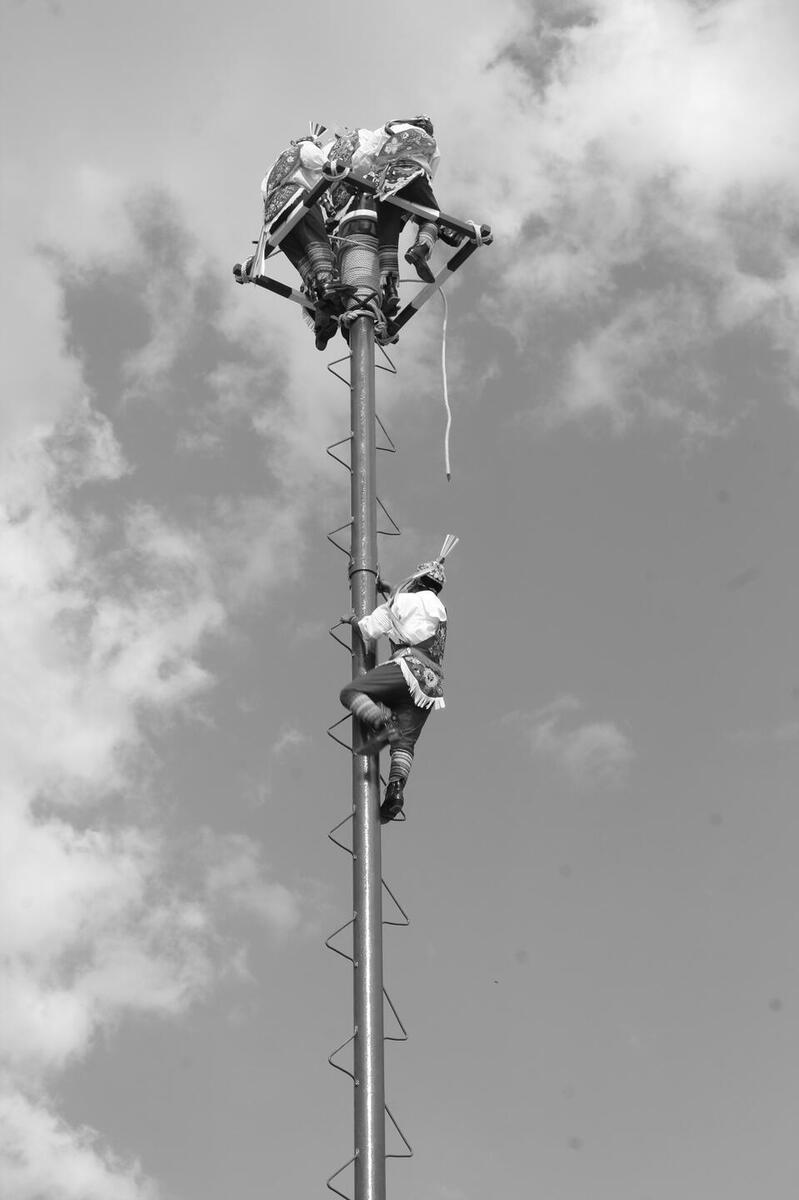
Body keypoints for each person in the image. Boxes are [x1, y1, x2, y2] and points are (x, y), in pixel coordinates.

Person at [339, 536, 457, 823]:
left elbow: (370, 629)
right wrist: (388, 591)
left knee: (351, 693)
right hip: (430, 686)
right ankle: (395, 791)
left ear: (417, 580)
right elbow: (409, 614)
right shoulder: (440, 610)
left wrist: (353, 620)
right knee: (404, 745)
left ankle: (382, 722)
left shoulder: (403, 600)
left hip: (407, 670)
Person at [327, 117, 443, 315]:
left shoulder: (387, 128)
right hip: (414, 176)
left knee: (387, 239)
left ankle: (389, 288)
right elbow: (431, 172)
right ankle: (421, 249)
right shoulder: (432, 143)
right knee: (432, 217)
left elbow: (362, 158)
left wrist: (361, 177)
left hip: (385, 184)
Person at [257, 124, 341, 350]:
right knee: (317, 243)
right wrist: (328, 166)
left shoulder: (271, 170)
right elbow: (313, 158)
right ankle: (327, 286)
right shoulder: (303, 148)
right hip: (296, 200)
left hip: (273, 220)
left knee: (303, 261)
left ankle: (321, 307)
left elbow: (264, 192)